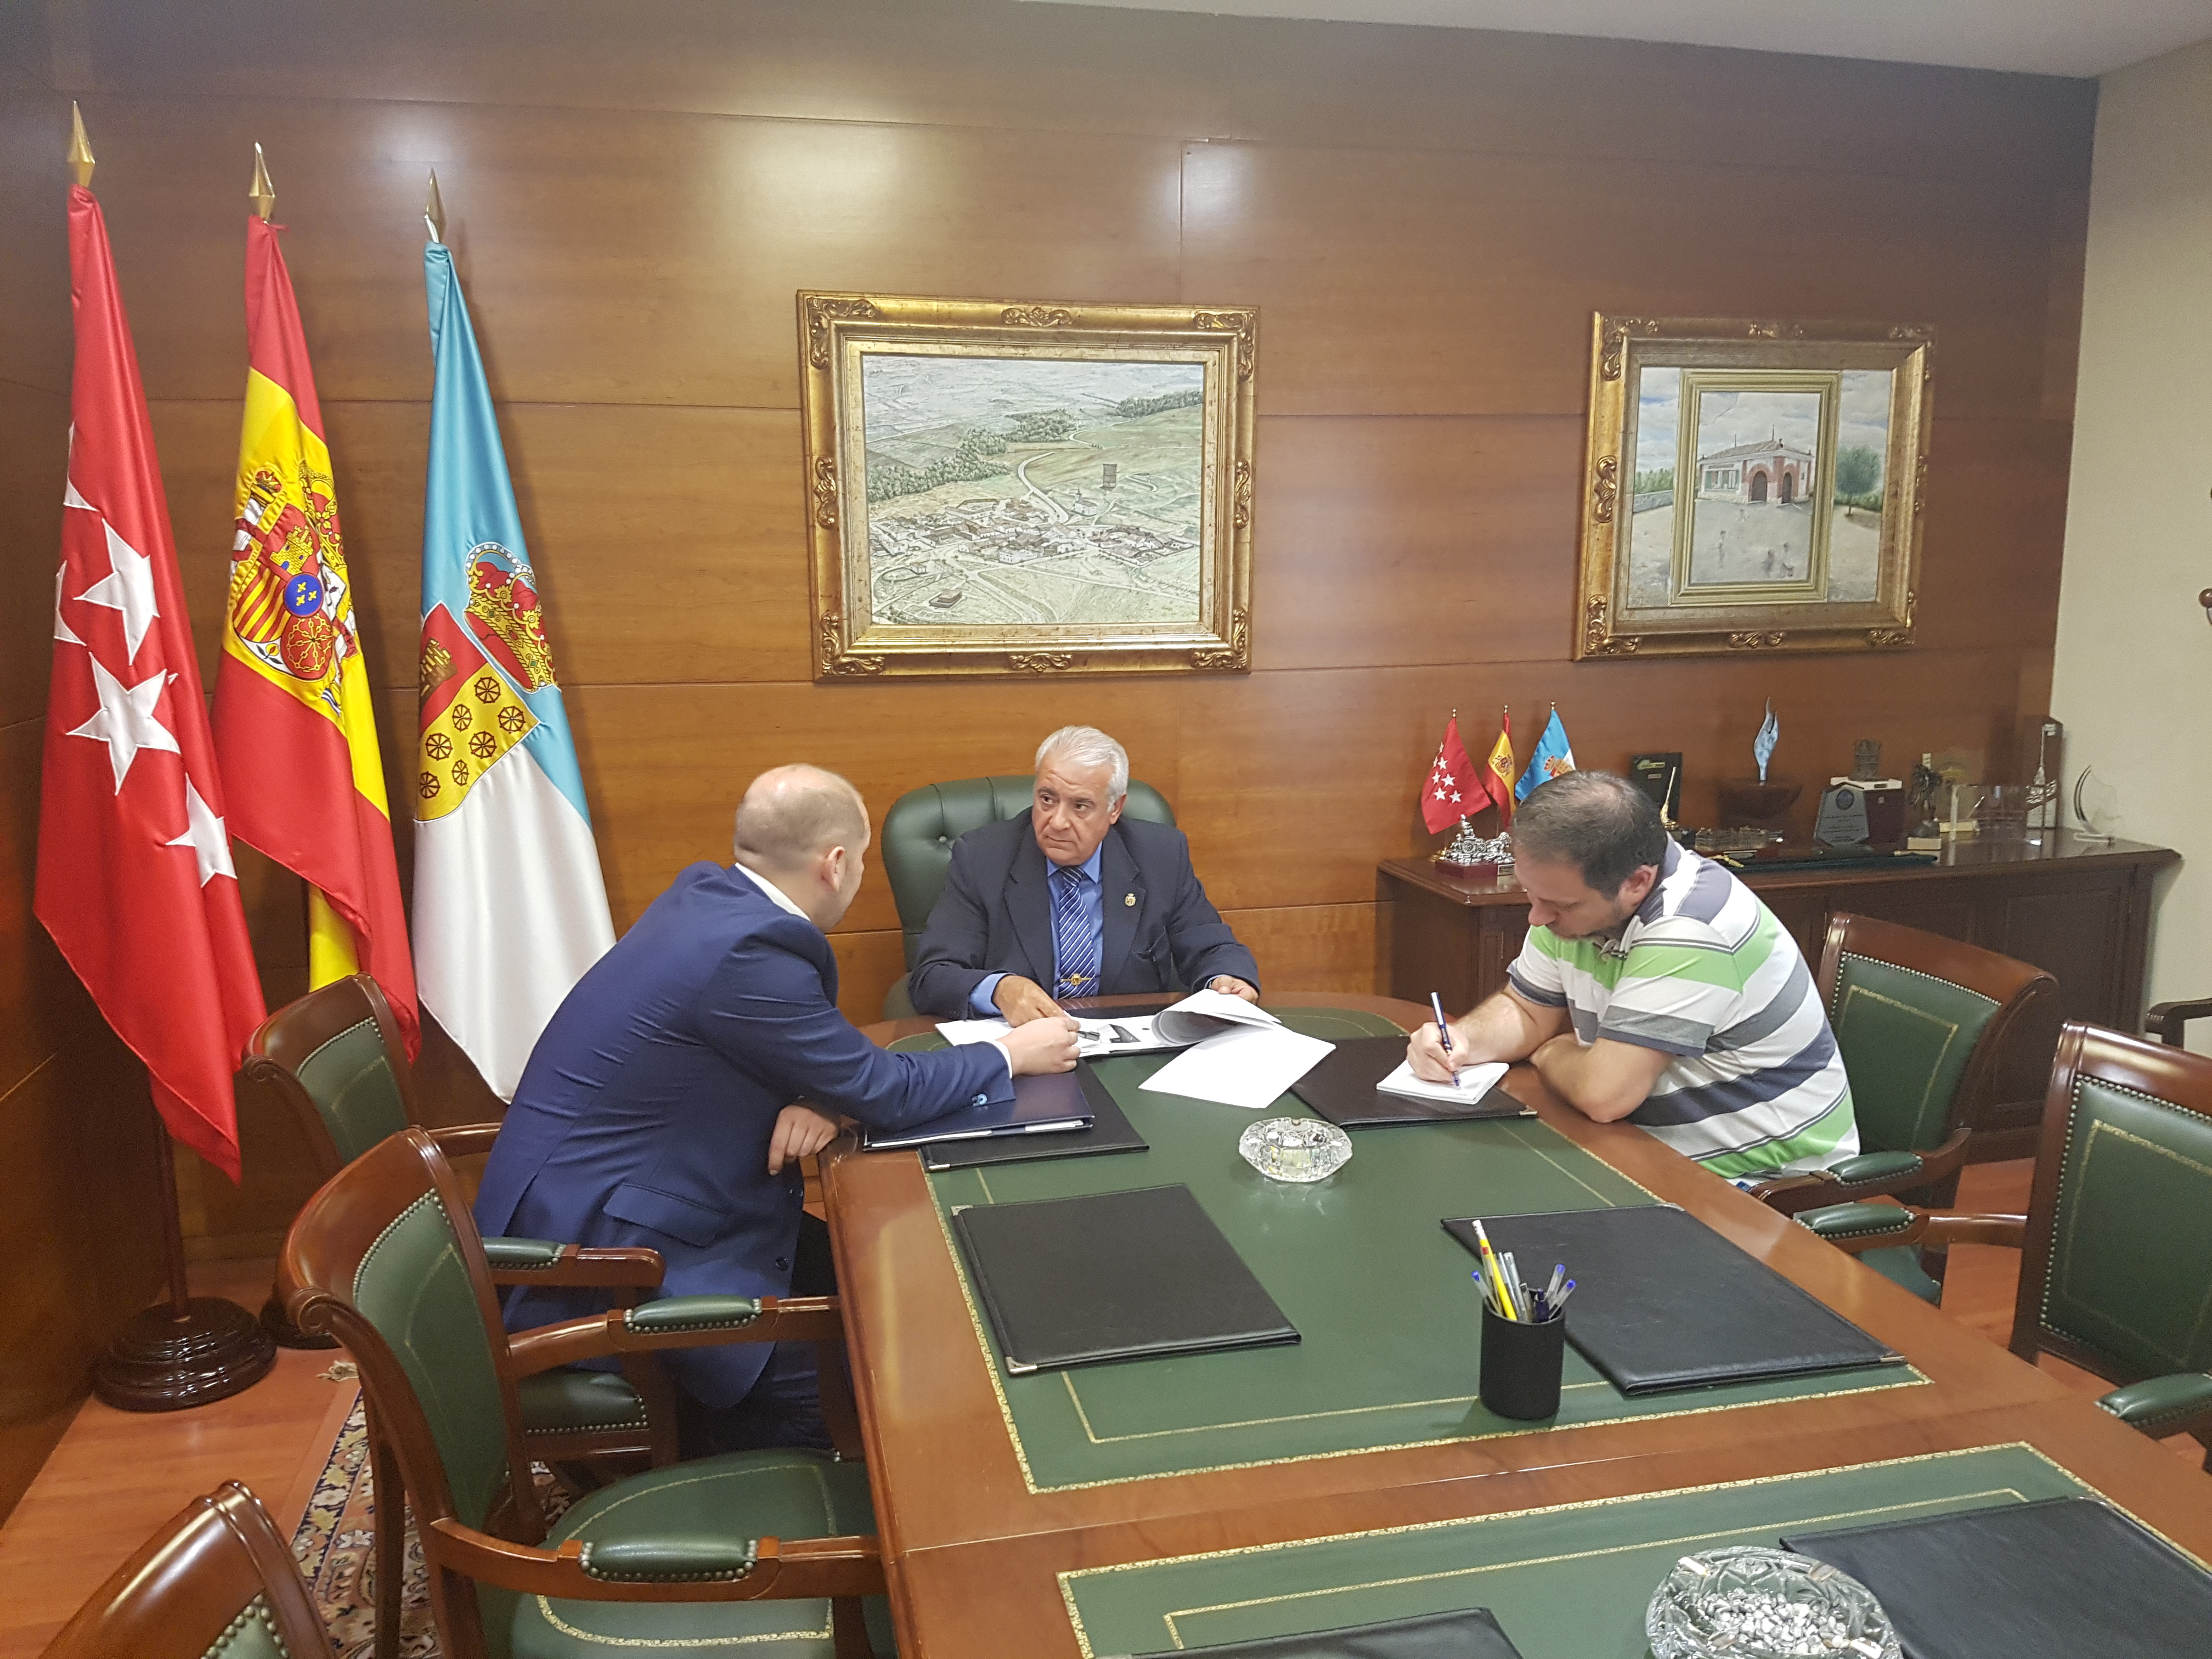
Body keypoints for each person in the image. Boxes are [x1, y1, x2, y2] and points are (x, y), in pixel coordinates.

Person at [473, 764, 1079, 1455]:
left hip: (609, 1198)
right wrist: (1011, 1053)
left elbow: (789, 1054)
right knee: (908, 1400)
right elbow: (879, 1088)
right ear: (836, 864)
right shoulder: (751, 952)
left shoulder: (706, 896)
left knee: (914, 1284)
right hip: (614, 1259)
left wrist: (821, 1091)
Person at [1408, 770, 1857, 1178]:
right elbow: (1525, 1012)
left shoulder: (1693, 927)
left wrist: (1549, 1052)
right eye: (1532, 894)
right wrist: (1462, 1042)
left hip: (1772, 1190)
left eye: (1560, 905)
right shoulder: (1572, 904)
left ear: (1637, 883)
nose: (1536, 917)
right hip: (1653, 1154)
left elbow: (1604, 1096)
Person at [908, 725, 1261, 1022]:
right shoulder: (983, 858)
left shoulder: (1160, 855)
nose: (1058, 822)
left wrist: (1227, 979)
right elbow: (933, 976)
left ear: (1114, 809)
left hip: (1131, 1056)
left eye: (1080, 806)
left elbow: (1211, 946)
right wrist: (1000, 989)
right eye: (1047, 799)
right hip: (1024, 1053)